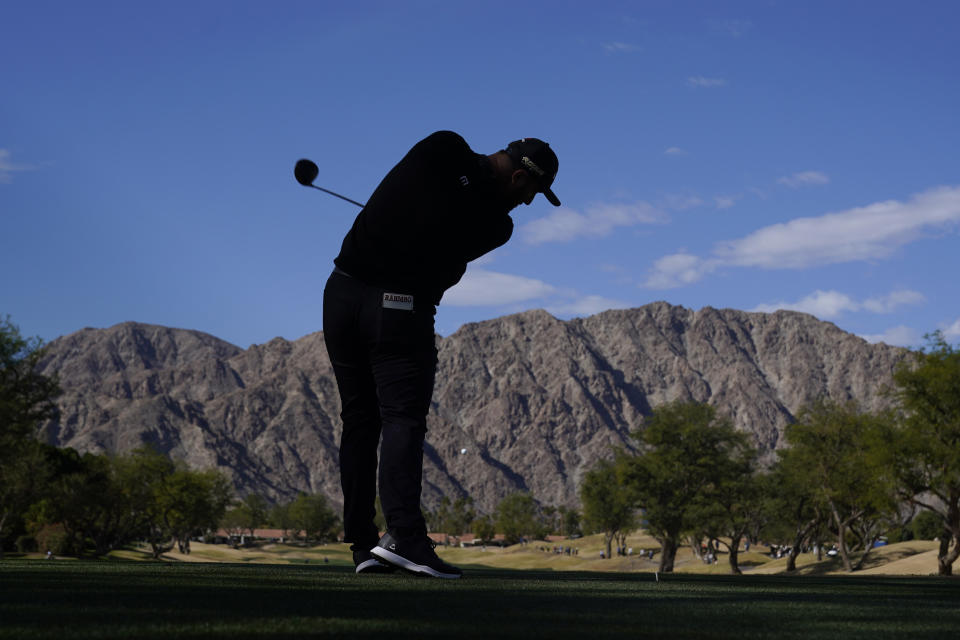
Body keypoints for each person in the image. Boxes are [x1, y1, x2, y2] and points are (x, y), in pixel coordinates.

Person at [323, 131, 561, 579]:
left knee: (359, 420)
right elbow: (446, 253)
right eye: (531, 192)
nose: (528, 204)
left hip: (340, 296)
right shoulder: (453, 158)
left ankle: (363, 546)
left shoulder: (482, 206)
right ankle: (405, 538)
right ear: (517, 177)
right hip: (396, 309)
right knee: (401, 419)